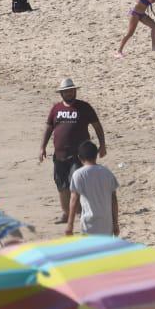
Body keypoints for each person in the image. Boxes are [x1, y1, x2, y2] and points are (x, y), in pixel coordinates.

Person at [39, 77, 107, 224]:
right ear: (61, 93)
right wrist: (42, 147)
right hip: (59, 155)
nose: (70, 93)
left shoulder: (84, 107)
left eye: (72, 90)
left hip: (79, 155)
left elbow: (97, 126)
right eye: (67, 91)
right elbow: (49, 128)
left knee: (76, 183)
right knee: (61, 185)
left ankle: (83, 212)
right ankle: (65, 213)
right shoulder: (56, 108)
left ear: (75, 91)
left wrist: (102, 145)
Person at [67, 140, 119, 235]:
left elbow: (74, 200)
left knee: (90, 249)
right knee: (106, 249)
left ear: (79, 157)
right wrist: (115, 223)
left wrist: (70, 225)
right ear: (96, 155)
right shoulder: (107, 173)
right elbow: (114, 200)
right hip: (106, 223)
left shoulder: (78, 174)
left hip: (88, 224)